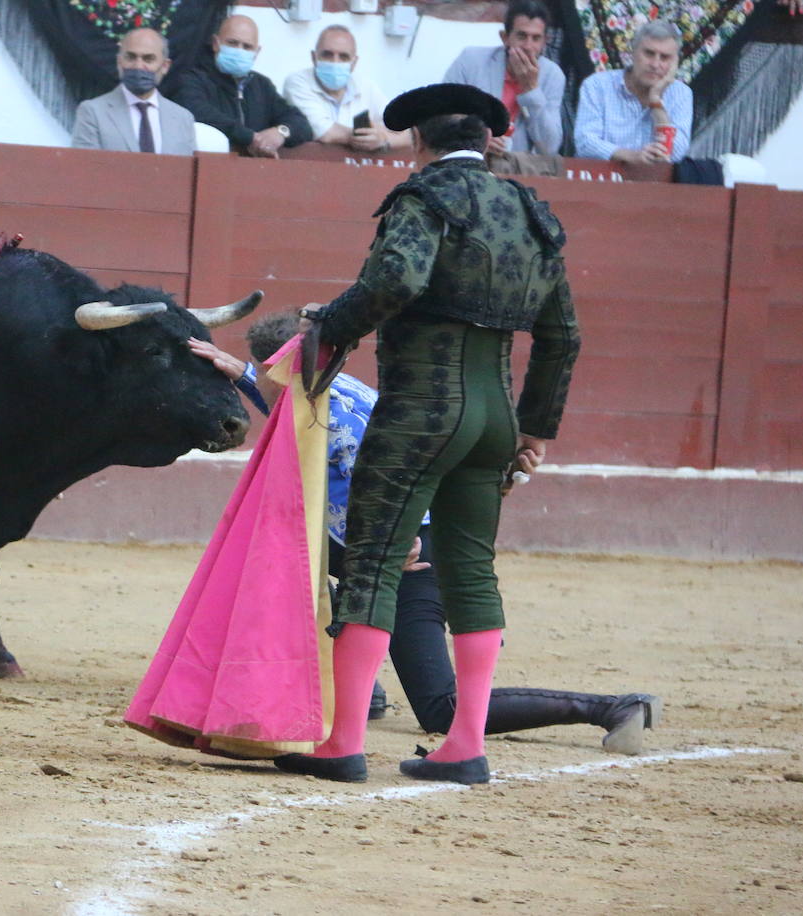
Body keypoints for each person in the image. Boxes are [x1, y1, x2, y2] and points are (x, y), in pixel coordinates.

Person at [264, 83, 581, 786]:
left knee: (374, 563)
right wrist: (535, 428)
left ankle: (343, 742)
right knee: (469, 569)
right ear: (491, 142)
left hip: (421, 411)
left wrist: (329, 332)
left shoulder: (422, 198)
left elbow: (397, 279)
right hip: (494, 417)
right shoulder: (532, 212)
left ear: (417, 143)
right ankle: (465, 743)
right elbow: (563, 335)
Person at [189, 314, 658, 761]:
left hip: (412, 551)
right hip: (383, 541)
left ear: (281, 368)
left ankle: (609, 708)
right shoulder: (323, 389)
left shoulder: (334, 419)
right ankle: (354, 687)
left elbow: (379, 472)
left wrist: (406, 532)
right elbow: (285, 399)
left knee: (441, 707)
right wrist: (244, 374)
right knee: (286, 561)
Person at [170, 14, 313, 158]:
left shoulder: (262, 85)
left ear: (256, 52)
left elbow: (301, 123)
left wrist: (281, 132)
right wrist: (249, 137)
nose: (239, 50)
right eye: (232, 43)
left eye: (247, 46)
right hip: (210, 168)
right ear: (215, 43)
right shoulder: (192, 79)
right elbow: (198, 111)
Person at [442, 0, 565, 156]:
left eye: (536, 38)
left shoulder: (553, 75)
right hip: (468, 159)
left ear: (544, 42)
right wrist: (477, 138)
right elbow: (442, 119)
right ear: (505, 37)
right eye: (521, 36)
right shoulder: (470, 60)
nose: (528, 46)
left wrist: (531, 90)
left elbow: (550, 146)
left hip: (518, 167)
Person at [574, 20, 692, 165]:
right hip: (600, 183)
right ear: (633, 52)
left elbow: (676, 153)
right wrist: (631, 156)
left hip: (655, 185)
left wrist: (656, 102)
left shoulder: (682, 93)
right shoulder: (597, 85)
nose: (655, 64)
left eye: (665, 57)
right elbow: (585, 142)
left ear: (675, 62)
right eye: (649, 54)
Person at [282, 25, 411, 155]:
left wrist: (384, 139)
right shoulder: (297, 82)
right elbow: (324, 131)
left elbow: (408, 131)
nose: (335, 62)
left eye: (343, 57)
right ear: (314, 57)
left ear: (354, 63)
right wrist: (364, 137)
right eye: (327, 55)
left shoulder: (366, 86)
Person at [71, 28, 197, 155]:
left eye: (148, 59)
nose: (138, 66)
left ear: (165, 66)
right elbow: (83, 169)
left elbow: (189, 170)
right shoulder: (93, 112)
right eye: (131, 58)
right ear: (119, 62)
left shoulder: (183, 118)